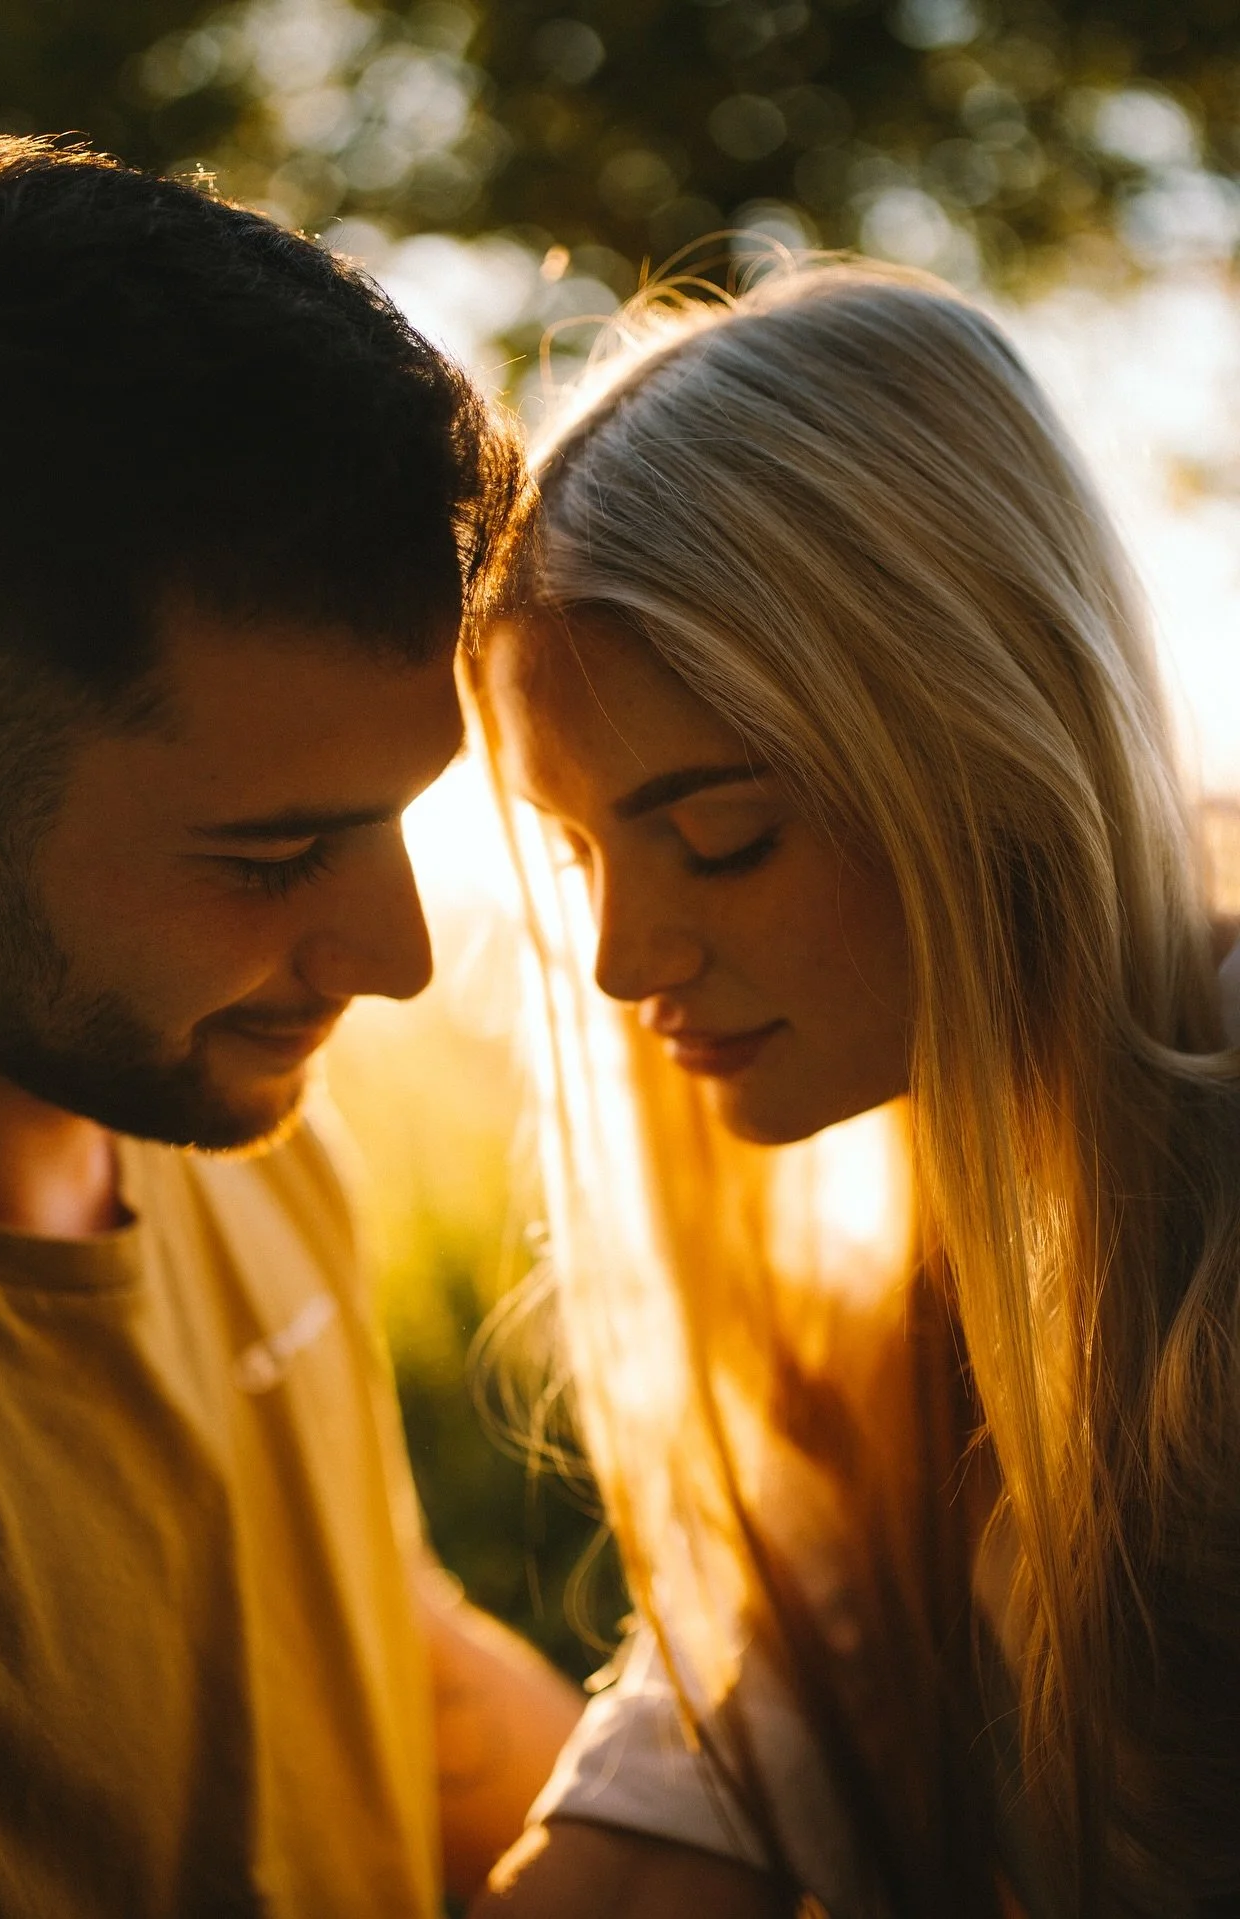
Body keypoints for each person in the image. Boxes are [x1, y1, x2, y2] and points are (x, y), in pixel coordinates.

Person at [0, 119, 581, 1916]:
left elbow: (378, 1651)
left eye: (400, 814)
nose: (392, 959)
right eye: (275, 852)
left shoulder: (208, 1102)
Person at [468, 263, 1240, 1916]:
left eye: (721, 834)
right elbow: (657, 1830)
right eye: (579, 850)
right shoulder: (900, 1302)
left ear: (976, 739)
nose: (619, 959)